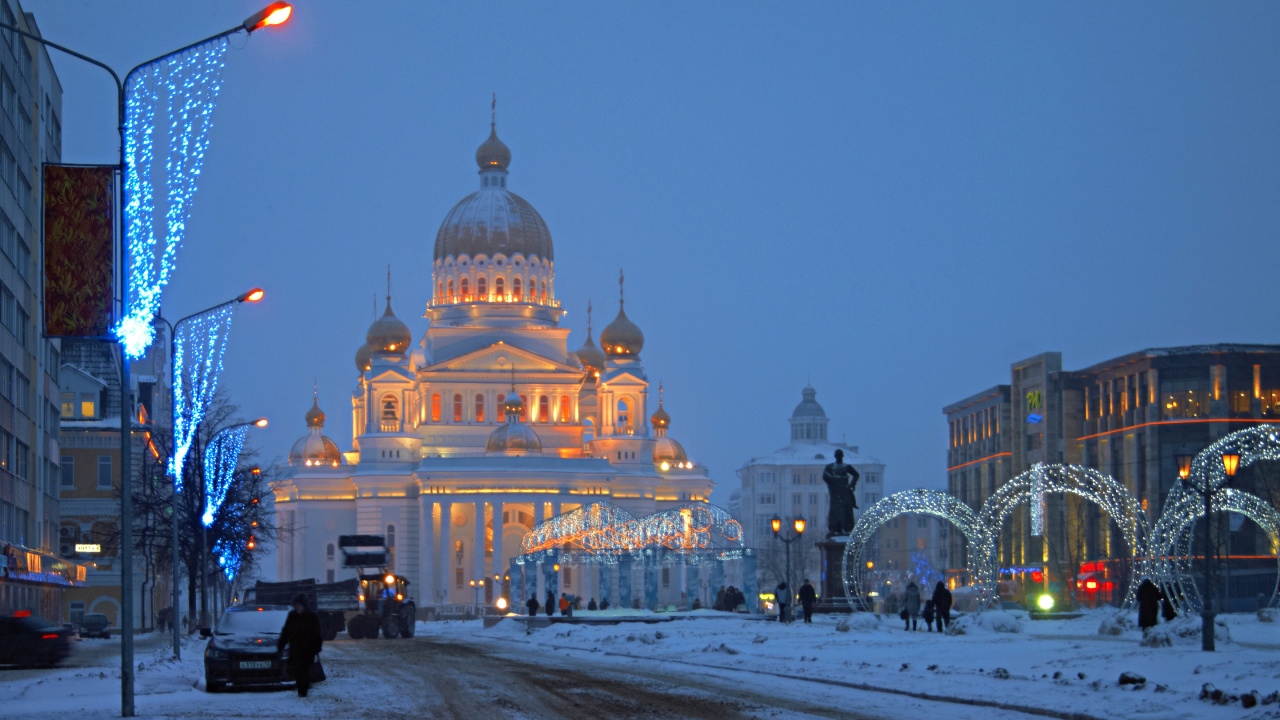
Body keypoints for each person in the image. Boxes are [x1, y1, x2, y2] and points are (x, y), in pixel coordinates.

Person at [277, 594, 323, 697]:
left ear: (304, 605)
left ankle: (303, 691)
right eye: (295, 605)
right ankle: (301, 689)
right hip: (295, 649)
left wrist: (316, 648)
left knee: (304, 670)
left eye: (298, 605)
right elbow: (286, 631)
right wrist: (281, 644)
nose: (296, 607)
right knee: (297, 670)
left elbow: (317, 634)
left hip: (308, 650)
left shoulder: (311, 616)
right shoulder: (292, 616)